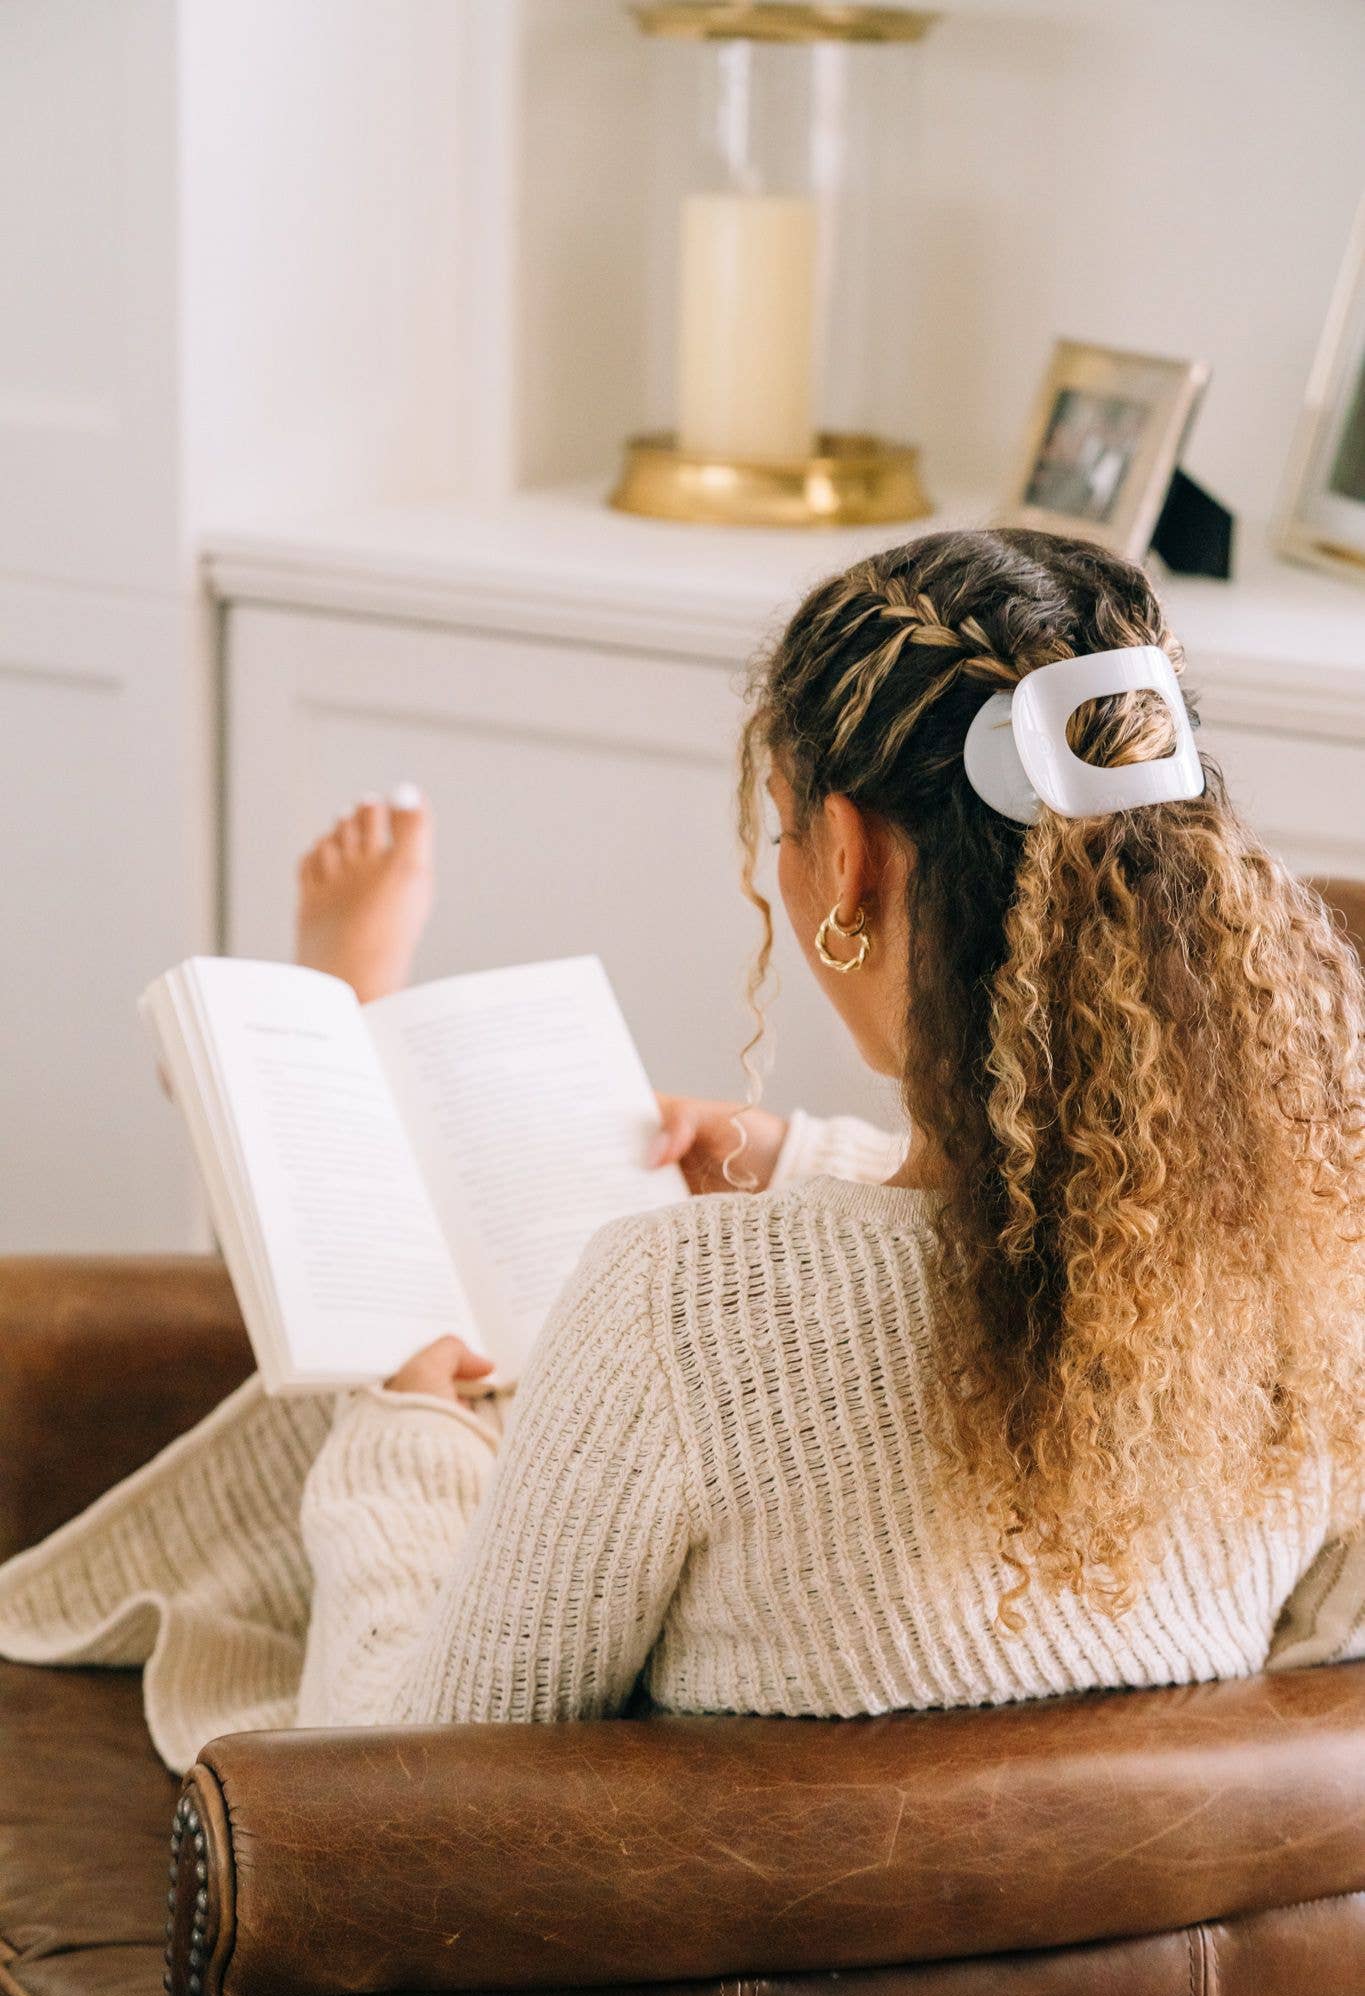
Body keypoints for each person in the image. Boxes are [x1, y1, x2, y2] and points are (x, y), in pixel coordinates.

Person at [1, 527, 1361, 1766]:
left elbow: (399, 1785)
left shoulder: (682, 1311)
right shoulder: (1316, 1277)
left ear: (848, 860)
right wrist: (808, 1158)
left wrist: (402, 1430)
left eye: (782, 829)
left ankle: (348, 1033)